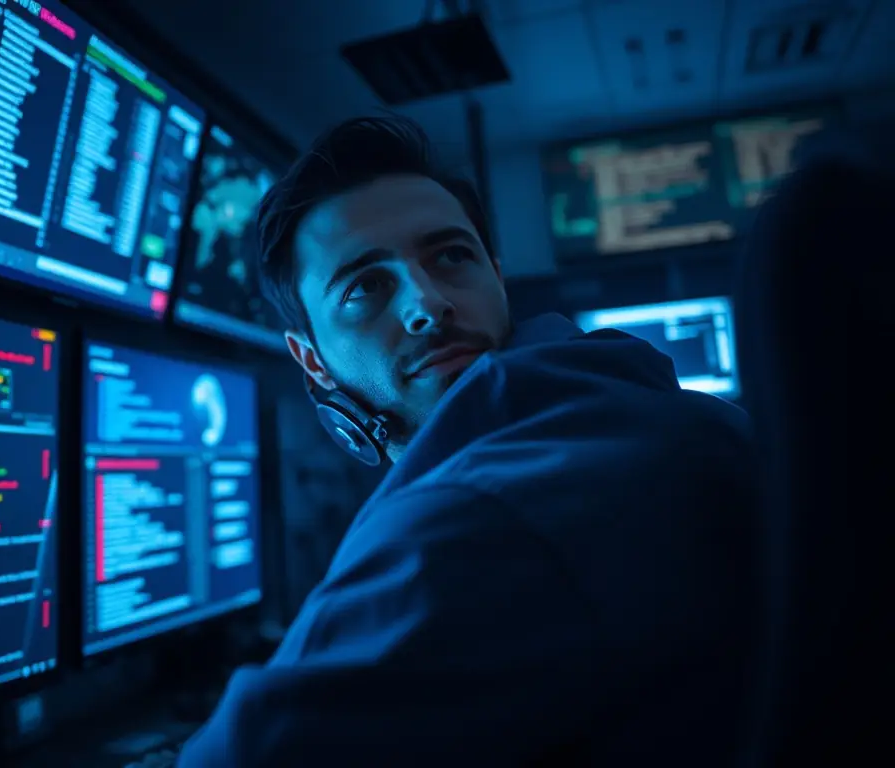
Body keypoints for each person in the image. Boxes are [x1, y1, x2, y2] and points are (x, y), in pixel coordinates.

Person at [178, 117, 756, 766]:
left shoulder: (470, 515)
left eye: (451, 256)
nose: (427, 302)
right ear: (310, 360)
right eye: (367, 286)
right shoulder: (662, 411)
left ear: (497, 278)